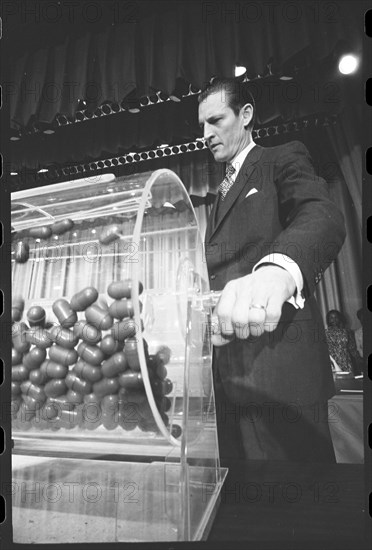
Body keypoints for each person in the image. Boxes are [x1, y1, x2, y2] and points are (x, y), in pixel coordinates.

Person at [198, 77, 346, 462]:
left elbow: (321, 214)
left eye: (215, 120)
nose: (206, 134)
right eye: (201, 125)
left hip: (281, 384)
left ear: (246, 115)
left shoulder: (281, 158)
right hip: (228, 386)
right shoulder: (217, 198)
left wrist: (277, 272)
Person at [325, 309, 362, 375]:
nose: (334, 320)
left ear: (339, 318)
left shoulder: (347, 332)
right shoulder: (325, 333)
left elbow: (352, 348)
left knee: (348, 382)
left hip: (346, 361)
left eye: (336, 317)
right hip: (333, 362)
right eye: (331, 318)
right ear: (328, 320)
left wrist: (359, 359)